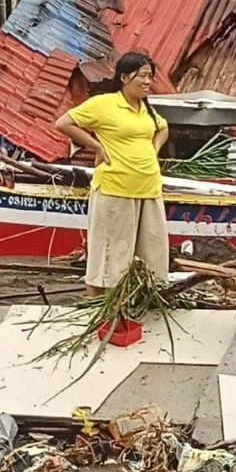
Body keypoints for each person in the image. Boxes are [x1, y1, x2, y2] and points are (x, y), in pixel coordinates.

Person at [54, 52, 170, 296]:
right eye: (142, 76)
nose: (148, 82)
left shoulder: (145, 108)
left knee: (150, 250)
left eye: (150, 76)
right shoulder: (104, 104)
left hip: (148, 188)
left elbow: (163, 128)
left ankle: (136, 299)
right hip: (115, 188)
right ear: (124, 77)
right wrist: (97, 146)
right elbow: (64, 123)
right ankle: (99, 303)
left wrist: (154, 149)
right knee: (111, 253)